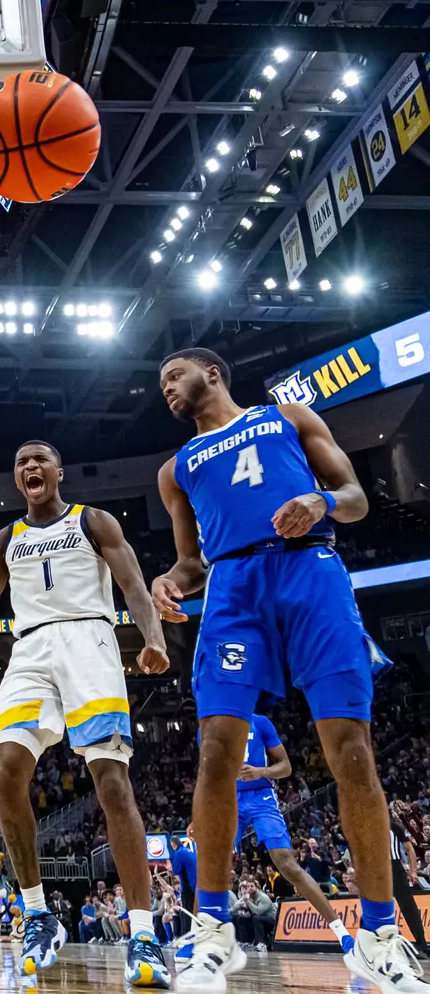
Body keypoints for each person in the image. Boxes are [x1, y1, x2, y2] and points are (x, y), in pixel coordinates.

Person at [152, 348, 422, 994]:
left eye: (174, 376)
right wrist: (169, 580)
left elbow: (356, 498)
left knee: (351, 751)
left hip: (312, 571)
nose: (165, 388)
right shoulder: (176, 468)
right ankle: (213, 932)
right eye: (160, 383)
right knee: (217, 747)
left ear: (213, 372)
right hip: (231, 587)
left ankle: (380, 938)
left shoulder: (288, 418)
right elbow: (190, 561)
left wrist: (320, 499)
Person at [0, 440, 170, 986]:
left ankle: (143, 934)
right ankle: (38, 914)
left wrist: (152, 637)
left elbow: (133, 585)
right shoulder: (4, 541)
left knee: (112, 782)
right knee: (5, 767)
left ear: (59, 471)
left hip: (88, 640)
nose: (30, 467)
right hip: (29, 651)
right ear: (17, 479)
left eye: (40, 459)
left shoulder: (93, 521)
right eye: (22, 462)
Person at [197, 712, 353, 951]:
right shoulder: (207, 729)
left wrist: (261, 772)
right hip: (227, 801)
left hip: (262, 797)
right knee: (210, 864)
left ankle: (341, 933)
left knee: (287, 864)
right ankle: (198, 937)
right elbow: (206, 776)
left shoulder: (260, 722)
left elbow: (286, 767)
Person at [389, 805, 430, 958]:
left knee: (408, 907)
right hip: (377, 871)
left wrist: (413, 871)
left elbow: (410, 849)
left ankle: (422, 944)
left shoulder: (395, 827)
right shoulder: (368, 827)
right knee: (378, 907)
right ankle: (381, 945)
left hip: (394, 868)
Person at [231, 880, 276, 951]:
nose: (250, 888)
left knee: (256, 918)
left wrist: (248, 902)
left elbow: (258, 912)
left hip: (272, 920)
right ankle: (245, 942)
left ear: (257, 887)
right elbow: (235, 907)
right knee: (240, 918)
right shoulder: (249, 897)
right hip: (259, 919)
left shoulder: (263, 898)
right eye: (248, 886)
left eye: (252, 886)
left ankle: (262, 944)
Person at [169, 834, 197, 935]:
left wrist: (170, 871)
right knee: (193, 911)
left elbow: (176, 870)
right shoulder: (188, 851)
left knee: (186, 912)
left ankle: (187, 936)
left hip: (187, 886)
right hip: (194, 885)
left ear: (173, 844)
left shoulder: (179, 853)